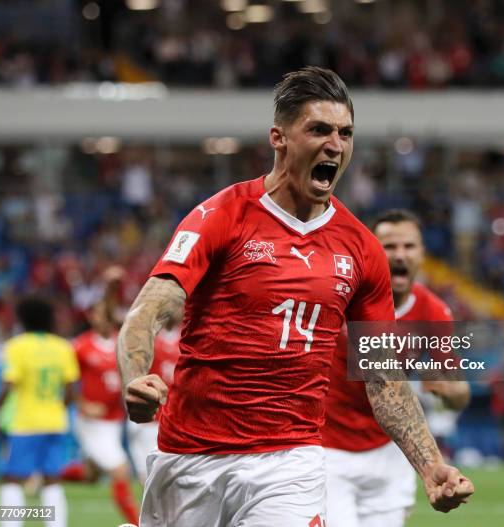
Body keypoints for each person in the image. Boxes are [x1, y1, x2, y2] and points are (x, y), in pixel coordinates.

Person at [118, 67, 474, 527]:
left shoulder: (361, 248)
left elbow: (384, 376)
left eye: (345, 133)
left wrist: (430, 465)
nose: (336, 144)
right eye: (319, 130)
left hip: (292, 460)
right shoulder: (223, 215)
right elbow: (149, 308)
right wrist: (136, 376)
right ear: (279, 138)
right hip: (192, 454)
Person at [323, 209, 471, 527]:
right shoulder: (339, 297)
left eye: (409, 246)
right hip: (327, 450)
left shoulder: (433, 313)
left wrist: (451, 391)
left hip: (391, 452)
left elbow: (459, 391)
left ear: (422, 254)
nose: (399, 254)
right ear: (371, 252)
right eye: (389, 246)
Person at [0, 296, 79, 527]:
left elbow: (7, 386)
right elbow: (70, 390)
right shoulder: (62, 347)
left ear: (23, 319)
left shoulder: (17, 346)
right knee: (51, 480)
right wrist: (58, 408)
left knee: (12, 479)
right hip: (54, 422)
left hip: (26, 424)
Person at [73, 300, 139, 525]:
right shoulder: (81, 346)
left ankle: (46, 475)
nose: (101, 318)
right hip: (93, 423)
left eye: (105, 314)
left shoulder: (122, 342)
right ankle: (138, 523)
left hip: (115, 420)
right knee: (121, 470)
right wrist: (82, 404)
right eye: (97, 314)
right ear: (91, 317)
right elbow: (67, 382)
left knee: (90, 476)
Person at [127, 310, 181, 483]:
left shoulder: (189, 339)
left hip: (176, 419)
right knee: (149, 475)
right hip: (151, 418)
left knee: (173, 477)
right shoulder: (149, 340)